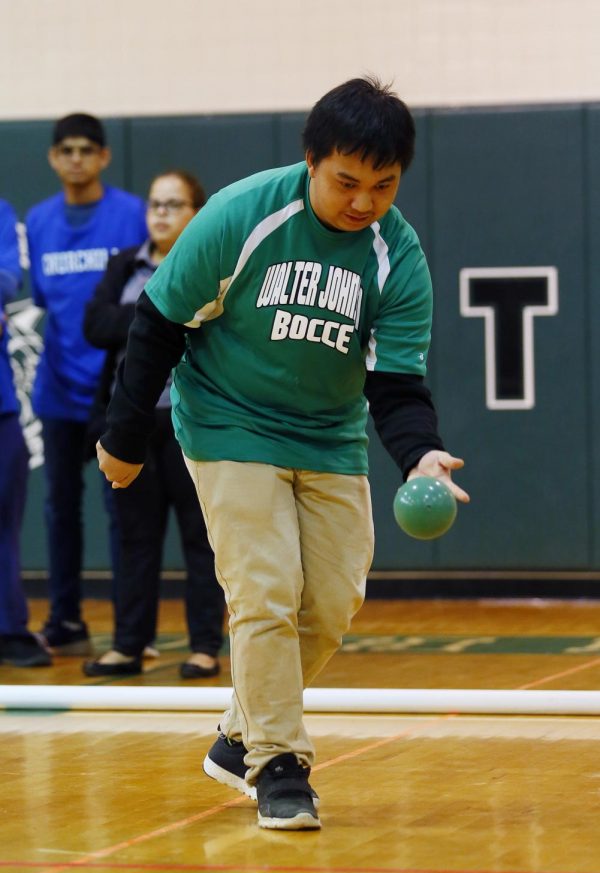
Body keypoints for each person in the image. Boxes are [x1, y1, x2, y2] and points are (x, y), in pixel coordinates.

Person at [95, 77, 470, 831]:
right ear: (311, 159)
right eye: (347, 182)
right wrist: (125, 436)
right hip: (229, 422)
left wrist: (422, 455)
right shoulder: (243, 214)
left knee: (330, 601)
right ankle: (279, 764)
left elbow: (396, 384)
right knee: (263, 589)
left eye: (384, 185)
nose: (364, 200)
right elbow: (159, 322)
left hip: (328, 435)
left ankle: (239, 734)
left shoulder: (396, 255)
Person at [81, 170, 225, 678]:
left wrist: (148, 317)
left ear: (196, 212)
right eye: (154, 204)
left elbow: (210, 323)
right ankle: (129, 645)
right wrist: (159, 315)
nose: (160, 213)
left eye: (173, 204)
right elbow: (95, 325)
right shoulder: (125, 264)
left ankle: (205, 645)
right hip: (135, 422)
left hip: (194, 421)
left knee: (201, 538)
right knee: (133, 539)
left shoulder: (212, 262)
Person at [25, 113, 148, 655]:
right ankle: (65, 620)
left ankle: (130, 631)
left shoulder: (131, 216)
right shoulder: (39, 220)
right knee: (59, 510)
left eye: (86, 149)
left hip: (110, 394)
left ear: (103, 156)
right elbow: (49, 305)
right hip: (56, 392)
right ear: (53, 158)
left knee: (122, 514)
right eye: (65, 150)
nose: (75, 158)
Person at [0, 199, 51, 667]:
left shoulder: (0, 212)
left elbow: (8, 280)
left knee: (5, 521)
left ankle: (10, 628)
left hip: (0, 406)